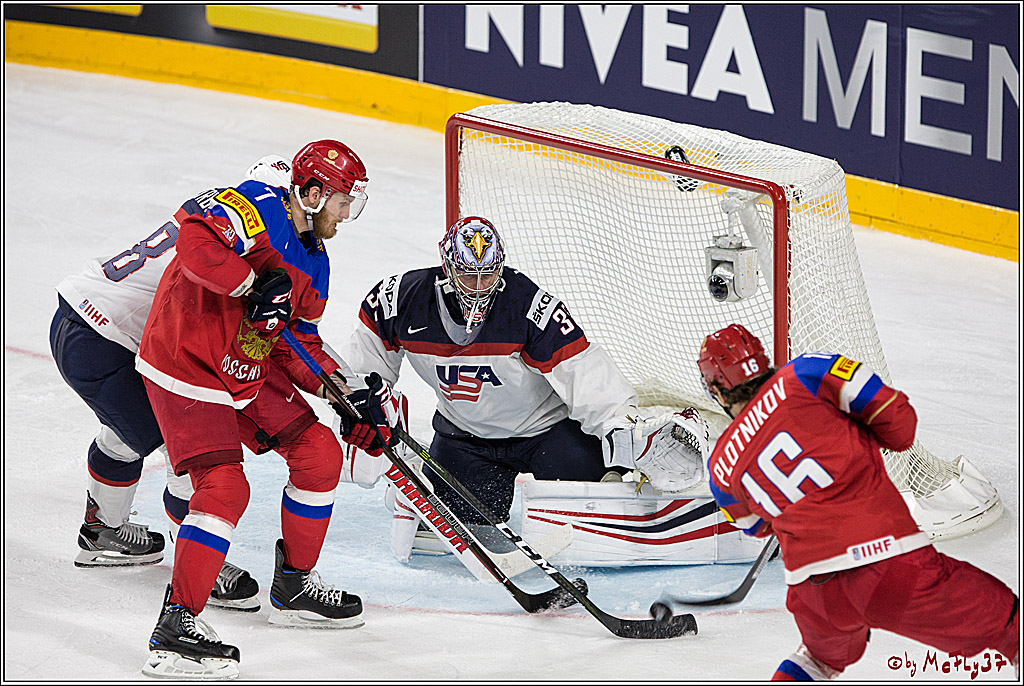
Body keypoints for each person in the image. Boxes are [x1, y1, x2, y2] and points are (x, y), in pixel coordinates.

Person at [135, 140, 400, 680]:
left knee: (321, 452)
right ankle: (176, 624)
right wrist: (253, 282)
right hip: (186, 365)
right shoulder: (261, 204)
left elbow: (297, 344)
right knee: (226, 487)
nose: (348, 214)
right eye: (344, 200)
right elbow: (192, 236)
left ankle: (295, 585)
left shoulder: (317, 263)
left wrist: (346, 395)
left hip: (244, 370)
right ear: (311, 191)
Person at [344, 215, 705, 561]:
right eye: (469, 276)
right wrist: (364, 408)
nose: (480, 287)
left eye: (489, 276)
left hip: (545, 435)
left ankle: (612, 478)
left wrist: (622, 427)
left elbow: (582, 370)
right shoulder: (399, 301)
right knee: (465, 531)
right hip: (465, 440)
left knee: (595, 508)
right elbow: (365, 370)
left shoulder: (527, 304)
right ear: (448, 267)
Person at [698, 323, 1019, 680]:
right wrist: (855, 439)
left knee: (818, 661)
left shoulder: (720, 465)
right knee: (1008, 623)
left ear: (718, 390)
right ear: (761, 358)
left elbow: (757, 527)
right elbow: (901, 426)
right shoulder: (808, 371)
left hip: (814, 592)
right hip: (889, 564)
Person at [50, 155, 297, 612]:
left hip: (81, 319)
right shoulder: (248, 231)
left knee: (128, 431)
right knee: (188, 446)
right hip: (105, 338)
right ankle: (204, 562)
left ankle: (102, 530)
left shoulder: (218, 214)